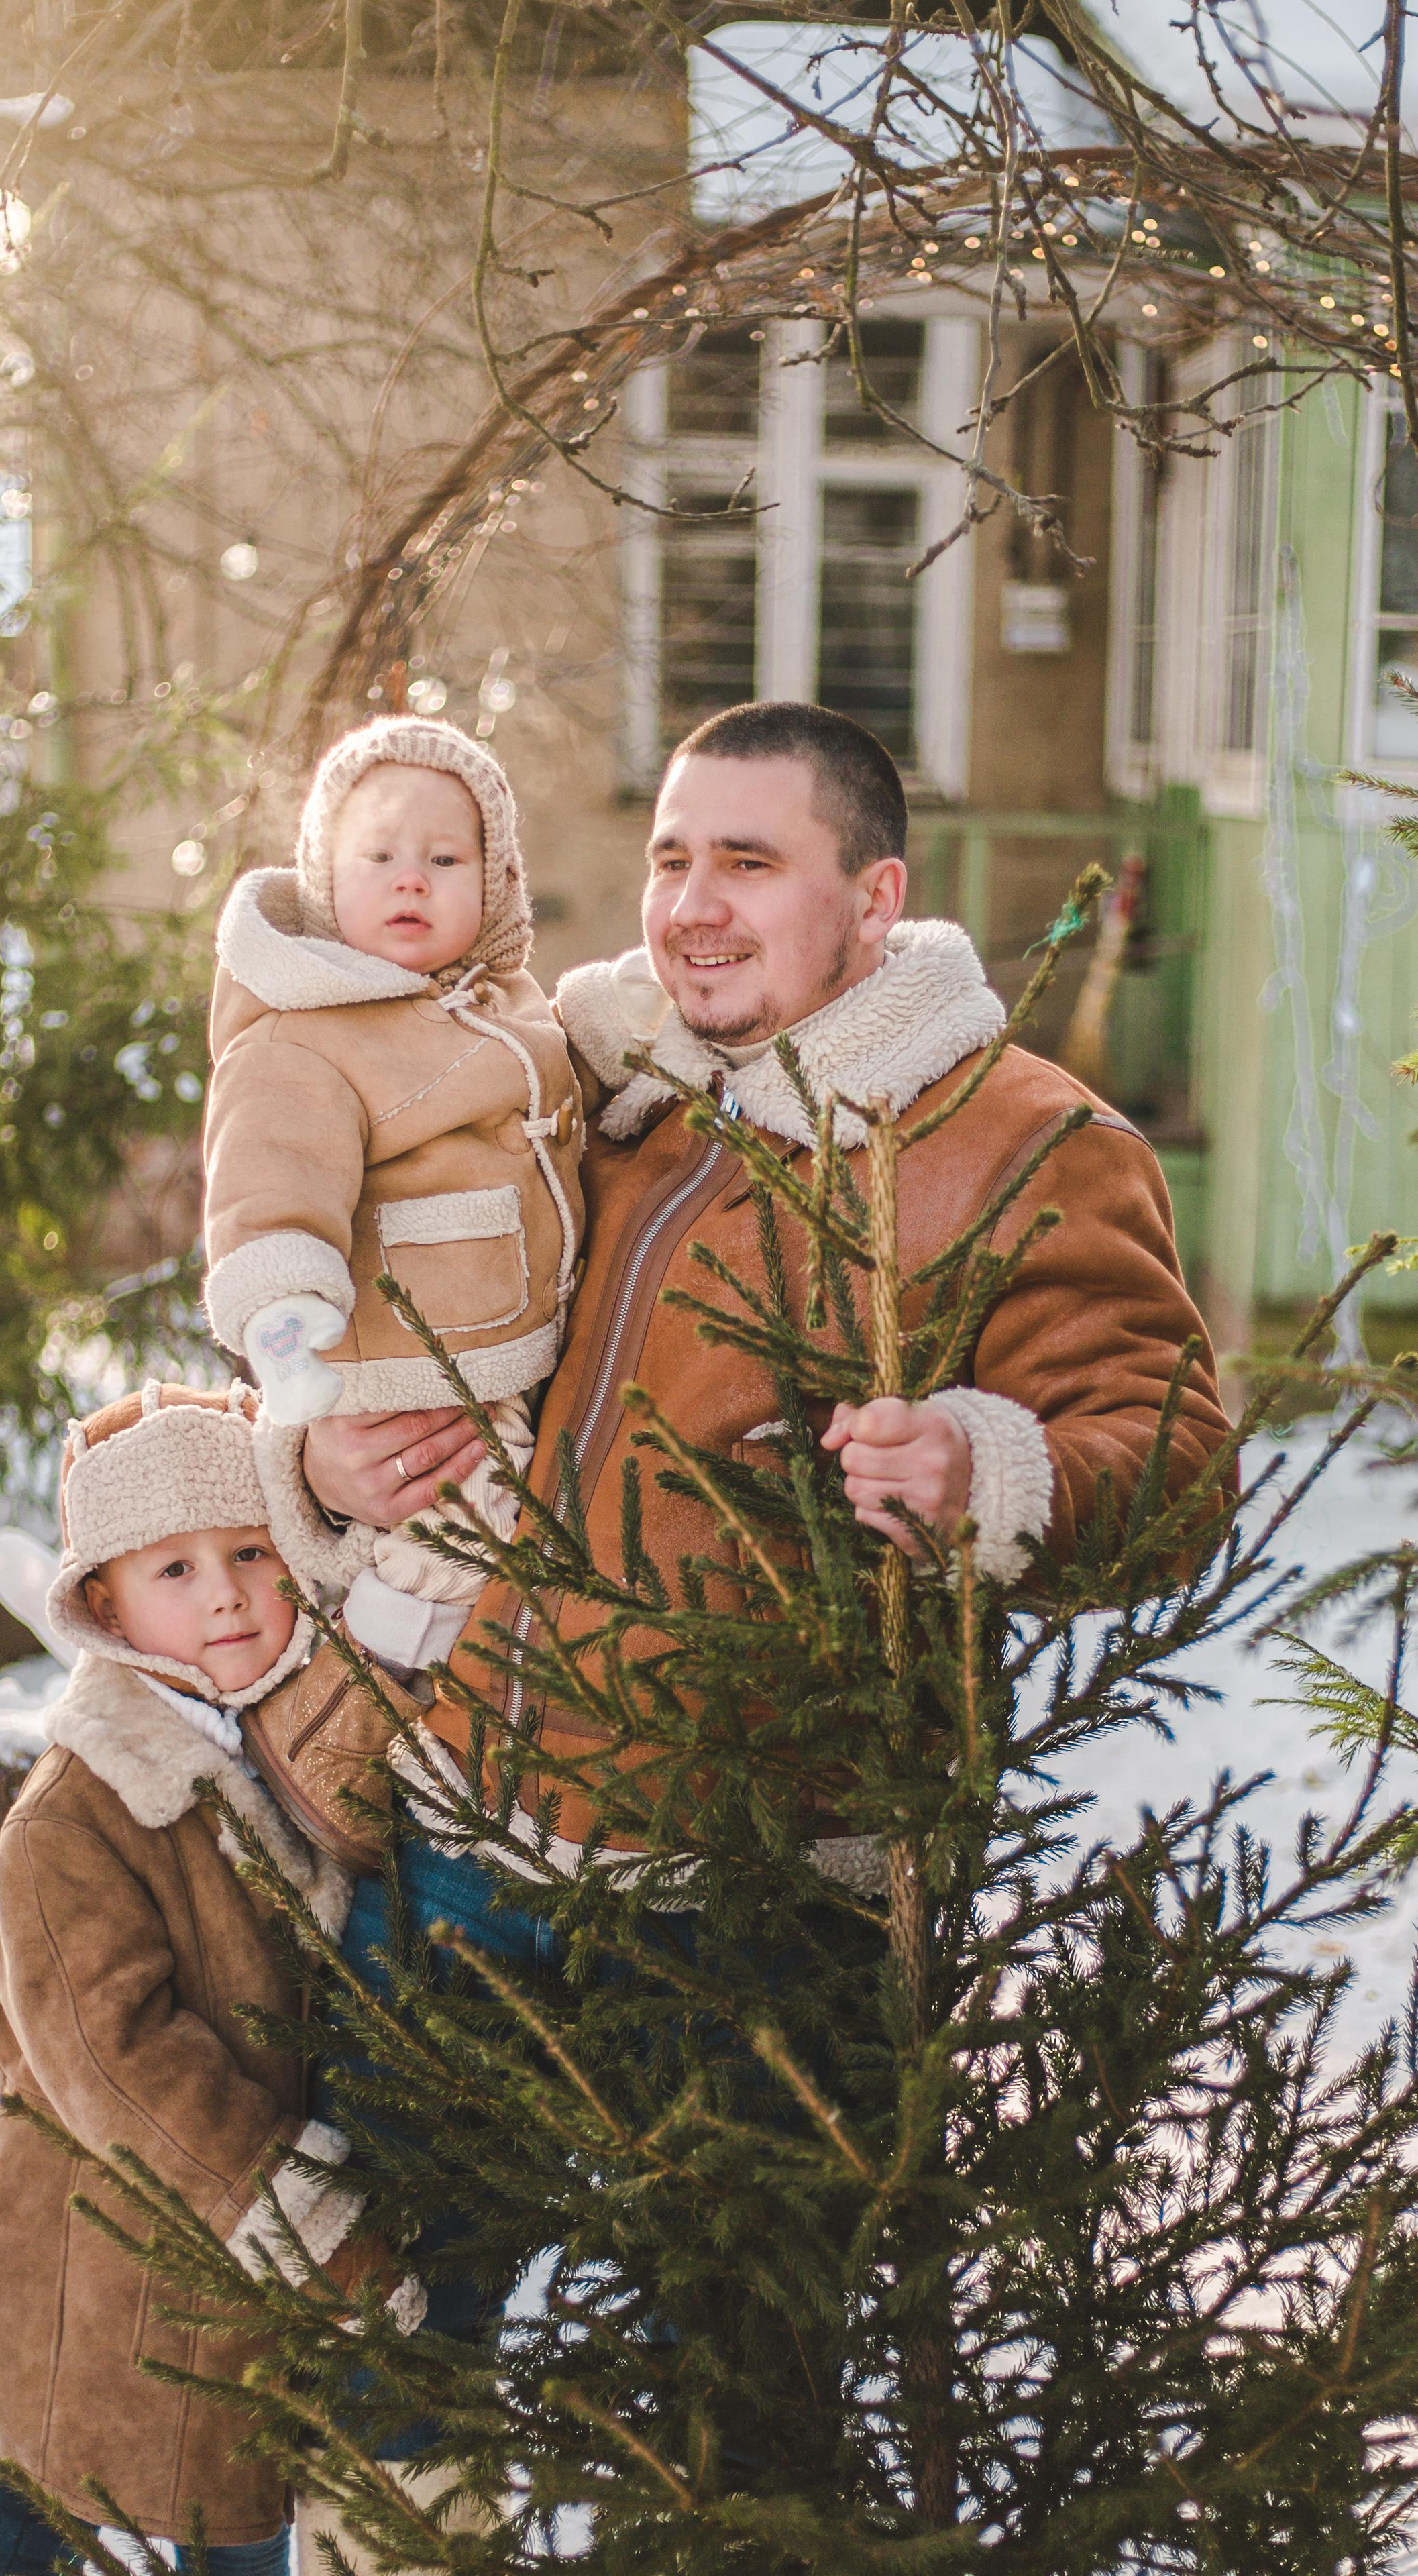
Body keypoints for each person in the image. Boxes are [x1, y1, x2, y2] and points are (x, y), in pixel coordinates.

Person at [298, 696, 1232, 1866]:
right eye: (673, 861)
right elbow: (382, 1296)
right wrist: (324, 1462)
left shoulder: (1022, 1140)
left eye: (749, 864)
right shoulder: (580, 1084)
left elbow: (1178, 1471)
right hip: (451, 1811)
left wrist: (980, 1470)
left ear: (876, 898)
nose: (693, 910)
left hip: (744, 1889)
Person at [0, 1383, 411, 2576]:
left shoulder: (292, 1747)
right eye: (176, 1570)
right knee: (49, 2514)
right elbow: (118, 2059)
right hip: (101, 2251)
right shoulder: (76, 1812)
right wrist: (305, 2219)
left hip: (233, 2272)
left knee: (236, 2521)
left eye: (251, 1551)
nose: (226, 1591)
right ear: (102, 1604)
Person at [200, 715, 584, 1684]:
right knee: (462, 1529)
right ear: (328, 882)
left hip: (494, 1344)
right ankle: (375, 1697)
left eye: (445, 858)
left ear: (495, 888)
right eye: (378, 855)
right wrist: (283, 1316)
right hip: (409, 1366)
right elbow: (270, 1175)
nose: (411, 878)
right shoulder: (307, 1034)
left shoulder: (505, 1004)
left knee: (498, 1525)